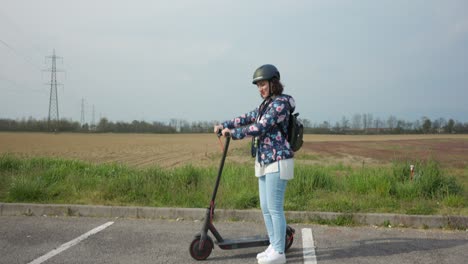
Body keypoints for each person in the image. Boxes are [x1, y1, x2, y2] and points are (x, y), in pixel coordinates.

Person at [214, 64, 295, 264]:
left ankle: (279, 251)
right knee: (265, 207)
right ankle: (273, 245)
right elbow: (247, 117)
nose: (260, 88)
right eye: (258, 85)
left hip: (278, 160)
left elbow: (260, 126)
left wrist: (234, 133)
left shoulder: (280, 104)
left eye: (263, 84)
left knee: (275, 208)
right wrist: (225, 124)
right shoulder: (265, 105)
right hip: (263, 160)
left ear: (273, 83)